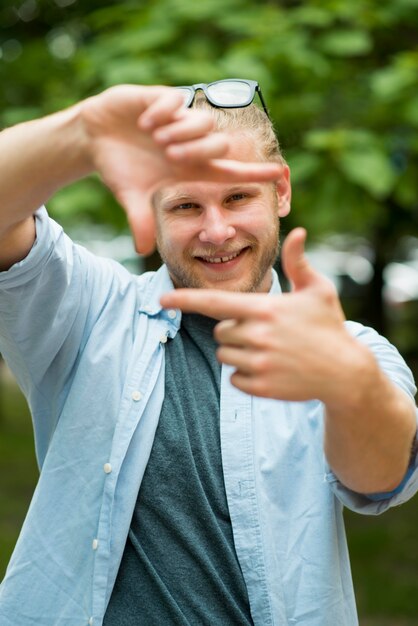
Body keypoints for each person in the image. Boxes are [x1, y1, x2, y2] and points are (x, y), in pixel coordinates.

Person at [0, 79, 416, 626]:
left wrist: (349, 383)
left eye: (237, 197)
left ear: (281, 191)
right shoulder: (87, 309)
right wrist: (80, 133)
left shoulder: (353, 349)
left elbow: (383, 479)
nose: (216, 231)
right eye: (187, 205)